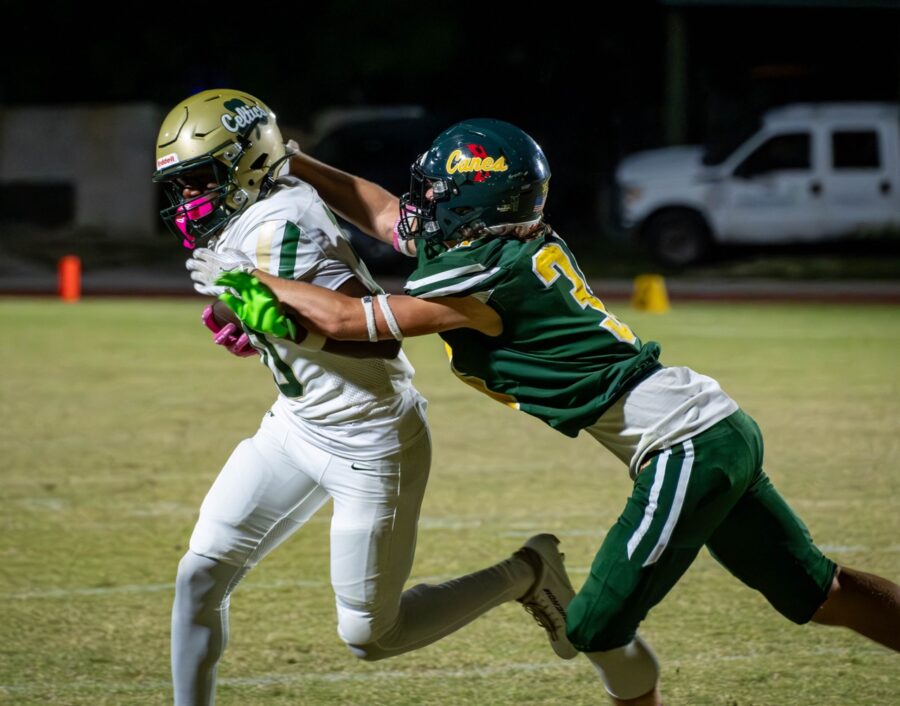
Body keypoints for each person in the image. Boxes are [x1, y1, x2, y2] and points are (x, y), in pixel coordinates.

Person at [191, 118, 900, 706]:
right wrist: (298, 161)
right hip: (714, 427)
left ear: (474, 205)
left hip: (686, 448)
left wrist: (248, 280)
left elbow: (350, 321)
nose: (419, 205)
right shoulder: (504, 240)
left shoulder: (482, 275)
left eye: (435, 195)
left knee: (592, 625)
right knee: (819, 592)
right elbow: (378, 211)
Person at [153, 93, 580, 706]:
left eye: (198, 178)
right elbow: (377, 221)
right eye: (181, 182)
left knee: (371, 636)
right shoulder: (260, 210)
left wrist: (264, 313)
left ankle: (527, 572)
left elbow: (370, 342)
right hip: (297, 425)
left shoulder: (281, 225)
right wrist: (249, 317)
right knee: (199, 575)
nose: (188, 197)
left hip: (370, 439)